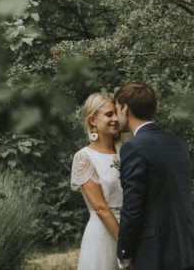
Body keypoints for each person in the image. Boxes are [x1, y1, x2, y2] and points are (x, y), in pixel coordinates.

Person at [115, 82, 194, 270]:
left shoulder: (134, 147)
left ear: (125, 108)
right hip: (187, 246)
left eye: (117, 109)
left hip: (157, 252)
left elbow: (133, 207)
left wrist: (124, 252)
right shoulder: (177, 142)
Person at [71, 93, 123, 270]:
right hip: (103, 236)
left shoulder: (125, 151)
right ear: (92, 120)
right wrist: (126, 245)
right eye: (109, 114)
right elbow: (101, 208)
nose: (116, 119)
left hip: (133, 228)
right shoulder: (84, 157)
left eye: (116, 113)